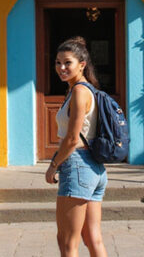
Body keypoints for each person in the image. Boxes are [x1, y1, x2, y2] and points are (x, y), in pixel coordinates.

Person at [44, 36, 108, 257]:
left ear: (82, 64)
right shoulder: (83, 89)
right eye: (58, 62)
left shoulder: (80, 92)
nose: (61, 67)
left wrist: (53, 166)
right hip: (94, 168)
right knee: (93, 238)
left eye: (67, 63)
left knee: (67, 241)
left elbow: (72, 139)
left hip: (78, 166)